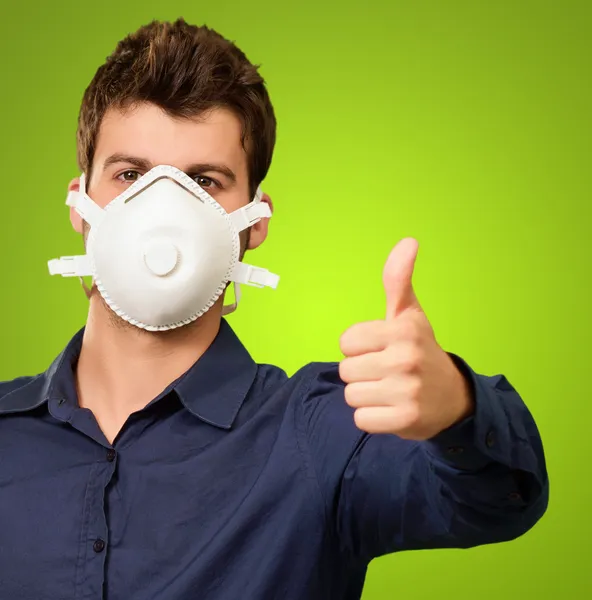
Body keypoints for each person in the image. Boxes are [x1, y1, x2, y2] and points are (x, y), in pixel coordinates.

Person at [0, 18, 548, 600]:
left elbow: (495, 502)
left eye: (204, 182)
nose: (160, 210)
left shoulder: (323, 436)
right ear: (80, 207)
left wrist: (457, 408)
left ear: (255, 224)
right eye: (130, 175)